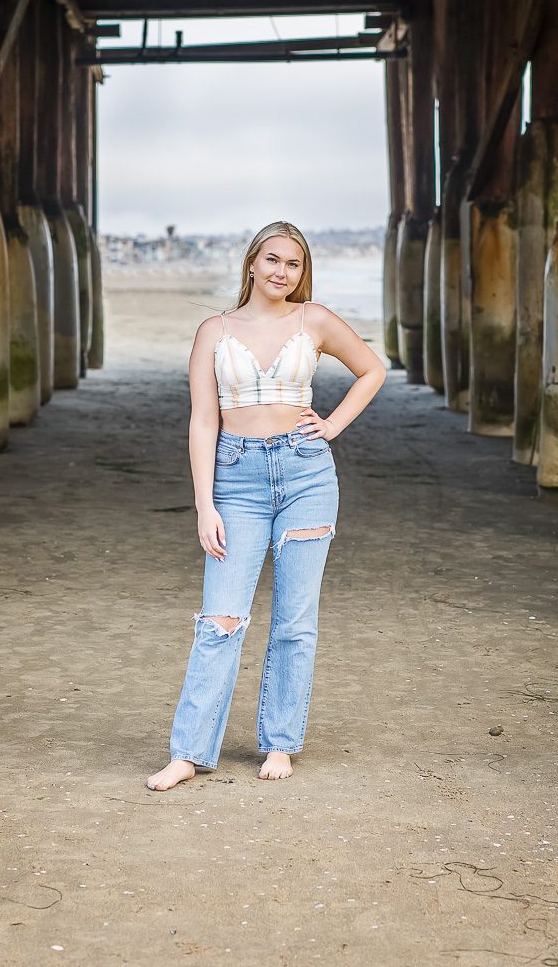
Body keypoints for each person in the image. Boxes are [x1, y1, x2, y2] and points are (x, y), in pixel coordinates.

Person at [146, 221, 387, 791]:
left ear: (303, 274)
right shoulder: (214, 330)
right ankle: (189, 752)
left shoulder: (316, 320)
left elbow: (372, 370)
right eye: (273, 260)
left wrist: (330, 426)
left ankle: (281, 742)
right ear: (252, 262)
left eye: (294, 265)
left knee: (295, 621)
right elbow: (203, 420)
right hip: (236, 480)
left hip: (306, 475)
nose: (282, 272)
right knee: (221, 618)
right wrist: (205, 503)